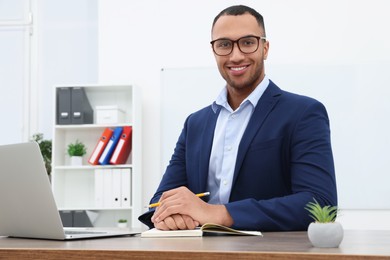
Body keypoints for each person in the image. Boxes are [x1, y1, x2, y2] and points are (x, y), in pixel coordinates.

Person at [138, 5, 337, 231]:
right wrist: (168, 215)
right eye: (224, 44)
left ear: (265, 48)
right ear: (214, 51)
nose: (236, 55)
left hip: (268, 252)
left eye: (248, 42)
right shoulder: (195, 123)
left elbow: (319, 203)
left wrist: (218, 213)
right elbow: (160, 201)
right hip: (198, 251)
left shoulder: (303, 113)